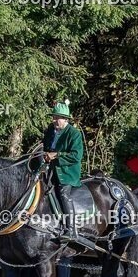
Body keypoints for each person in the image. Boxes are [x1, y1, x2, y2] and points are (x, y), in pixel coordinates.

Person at [42, 100, 85, 240]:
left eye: (58, 118)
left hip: (67, 173)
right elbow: (45, 147)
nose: (54, 120)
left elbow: (76, 156)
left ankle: (71, 229)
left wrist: (56, 155)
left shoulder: (74, 134)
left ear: (66, 119)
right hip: (49, 169)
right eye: (54, 117)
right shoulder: (50, 129)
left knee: (63, 193)